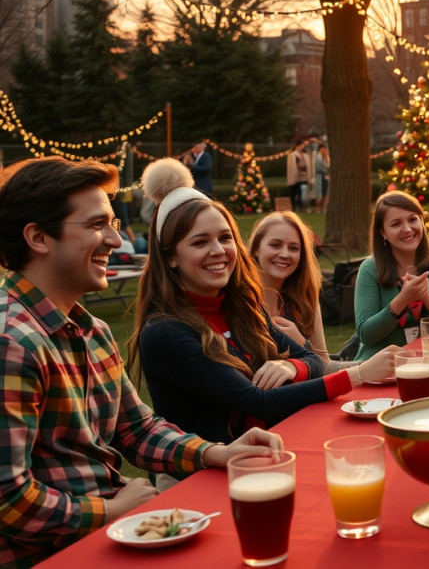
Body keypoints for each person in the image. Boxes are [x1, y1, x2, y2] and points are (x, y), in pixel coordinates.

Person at [0, 157, 283, 568]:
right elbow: (8, 498)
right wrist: (110, 511)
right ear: (39, 237)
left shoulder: (90, 329)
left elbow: (135, 428)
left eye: (114, 224)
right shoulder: (12, 342)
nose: (116, 241)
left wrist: (215, 453)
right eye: (98, 225)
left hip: (111, 533)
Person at [127, 159, 396, 444]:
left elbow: (312, 360)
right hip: (205, 475)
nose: (218, 250)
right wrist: (358, 374)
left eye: (225, 238)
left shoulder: (240, 307)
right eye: (199, 242)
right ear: (170, 256)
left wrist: (292, 366)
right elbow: (259, 402)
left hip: (266, 450)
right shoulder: (166, 331)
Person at [354, 191, 429, 360]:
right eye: (396, 224)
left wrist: (426, 297)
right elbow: (366, 335)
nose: (407, 229)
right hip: (381, 370)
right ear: (382, 232)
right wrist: (403, 299)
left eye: (412, 219)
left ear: (422, 221)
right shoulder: (370, 268)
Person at [249, 211, 333, 361]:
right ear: (256, 248)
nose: (284, 254)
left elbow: (325, 364)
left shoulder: (305, 296)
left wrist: (302, 344)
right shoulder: (239, 297)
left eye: (293, 248)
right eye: (275, 245)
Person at [285, 137, 310, 211]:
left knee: (301, 192)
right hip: (295, 177)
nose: (302, 147)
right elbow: (290, 167)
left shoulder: (304, 155)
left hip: (303, 177)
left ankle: (301, 206)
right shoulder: (292, 155)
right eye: (301, 145)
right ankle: (293, 206)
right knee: (293, 192)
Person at [312, 141, 330, 213]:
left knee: (326, 193)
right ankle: (318, 208)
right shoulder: (318, 157)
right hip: (320, 176)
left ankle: (324, 208)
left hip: (326, 177)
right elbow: (318, 167)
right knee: (320, 194)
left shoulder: (327, 158)